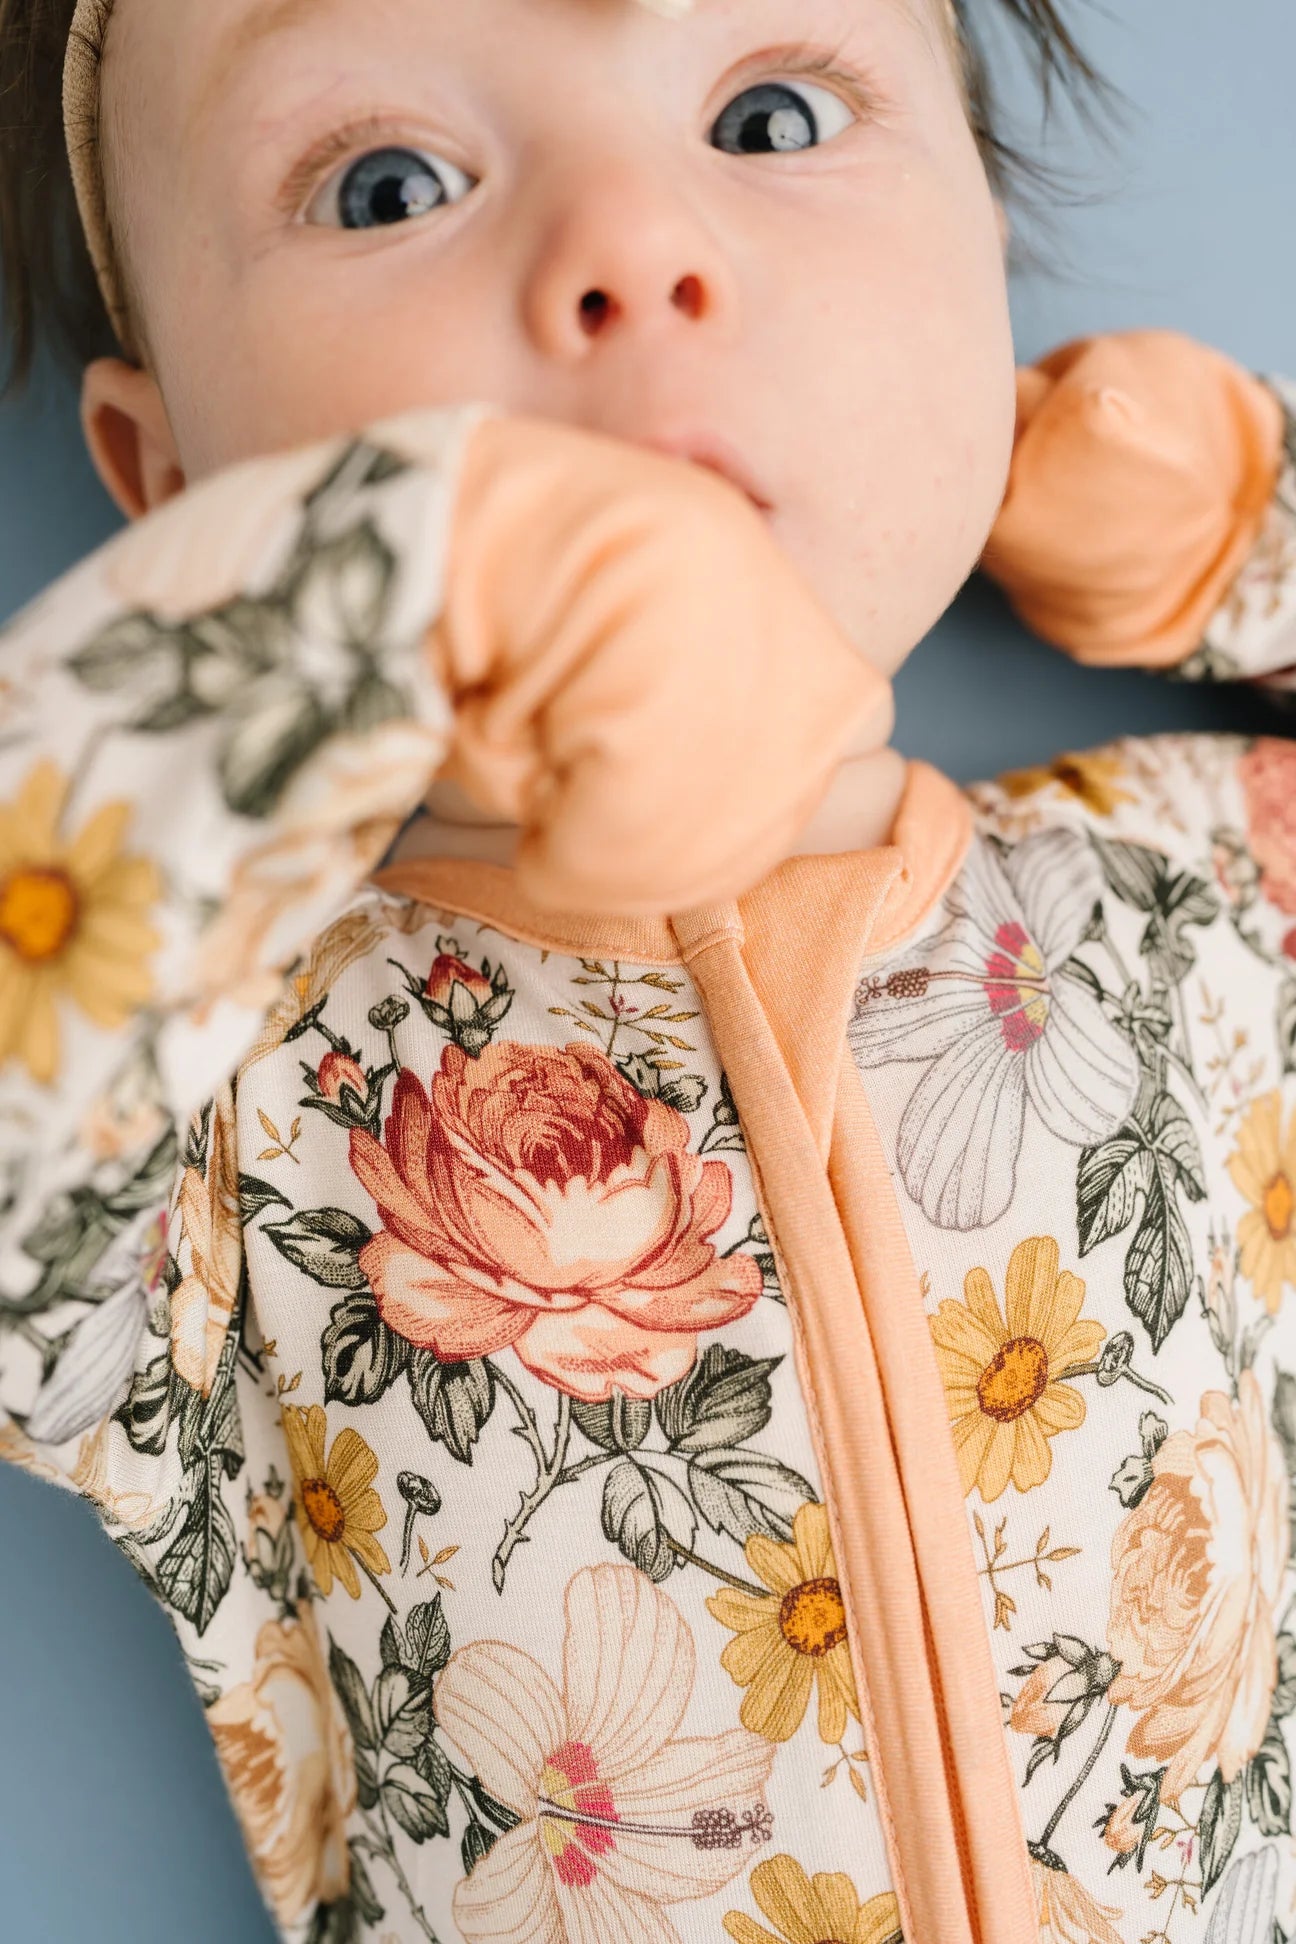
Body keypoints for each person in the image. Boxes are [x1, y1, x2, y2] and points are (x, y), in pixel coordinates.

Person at [0, 0, 1294, 1939]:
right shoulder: (227, 1102)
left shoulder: (1185, 887)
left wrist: (1240, 536)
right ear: (177, 485)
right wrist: (418, 580)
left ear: (986, 282)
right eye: (389, 185)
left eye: (769, 114)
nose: (630, 245)